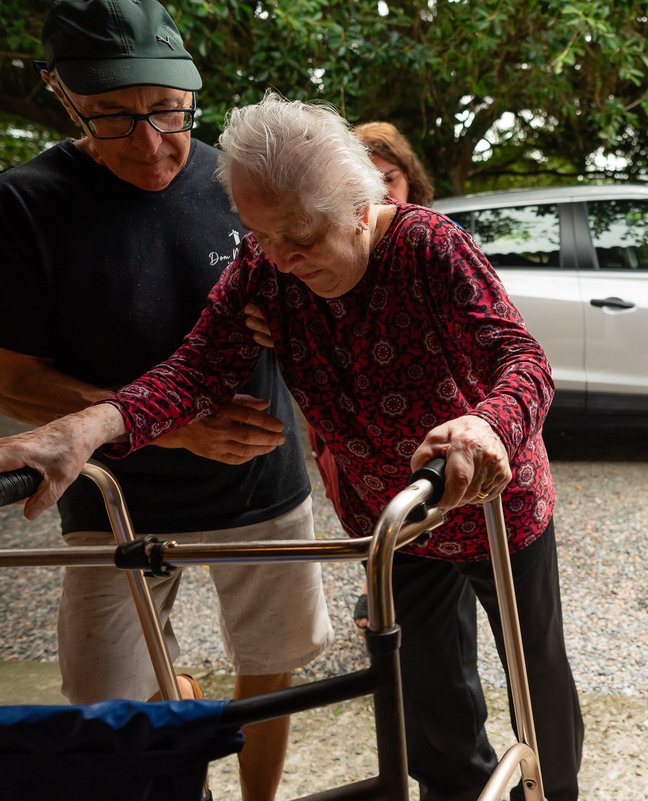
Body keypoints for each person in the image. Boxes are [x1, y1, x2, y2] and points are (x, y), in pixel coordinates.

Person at [0, 91, 584, 801]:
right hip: (395, 516)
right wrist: (85, 427)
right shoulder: (264, 264)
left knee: (537, 681)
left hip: (490, 496)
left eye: (300, 239)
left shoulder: (430, 246)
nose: (278, 257)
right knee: (432, 703)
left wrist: (487, 424)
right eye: (261, 235)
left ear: (359, 208)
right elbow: (193, 372)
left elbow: (522, 359)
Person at [0, 3, 331, 800]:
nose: (150, 143)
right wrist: (174, 428)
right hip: (114, 499)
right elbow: (13, 378)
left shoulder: (238, 180)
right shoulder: (24, 204)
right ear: (61, 94)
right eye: (114, 118)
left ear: (193, 90)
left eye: (167, 111)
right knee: (109, 693)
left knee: (270, 662)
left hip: (261, 483)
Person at [280, 120, 439, 633]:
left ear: (408, 179)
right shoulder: (304, 257)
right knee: (366, 514)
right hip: (347, 434)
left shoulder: (428, 242)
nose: (376, 191)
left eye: (388, 177)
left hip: (428, 447)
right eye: (362, 178)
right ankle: (378, 585)